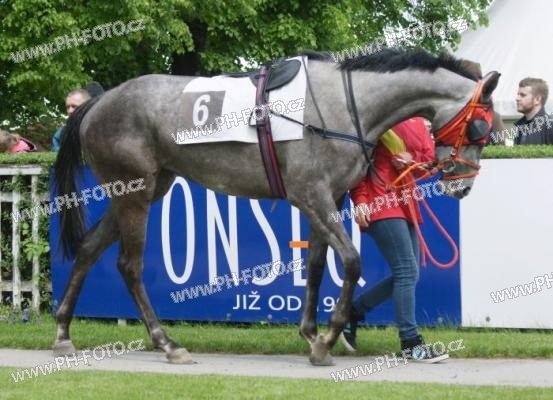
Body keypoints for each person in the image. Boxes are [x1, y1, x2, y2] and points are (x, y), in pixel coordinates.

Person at [341, 117, 449, 363]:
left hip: (406, 202)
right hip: (379, 201)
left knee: (409, 274)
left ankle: (353, 312)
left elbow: (429, 163)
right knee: (407, 272)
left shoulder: (419, 122)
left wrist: (412, 160)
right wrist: (360, 200)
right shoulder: (380, 114)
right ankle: (410, 342)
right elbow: (357, 165)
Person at [514, 77, 553, 145]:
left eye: (523, 95)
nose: (517, 98)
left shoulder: (550, 126)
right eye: (518, 94)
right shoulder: (521, 126)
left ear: (537, 99)